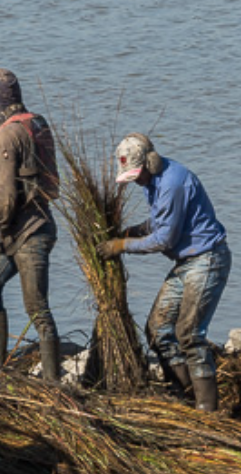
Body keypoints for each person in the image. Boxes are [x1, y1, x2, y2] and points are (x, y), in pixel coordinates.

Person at [98, 134, 231, 414]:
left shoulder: (173, 183)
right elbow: (160, 222)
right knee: (157, 331)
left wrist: (122, 246)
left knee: (189, 332)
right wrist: (134, 230)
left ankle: (207, 408)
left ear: (152, 162)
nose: (136, 180)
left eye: (138, 174)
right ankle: (182, 395)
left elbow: (164, 240)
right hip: (186, 263)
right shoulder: (151, 182)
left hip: (207, 259)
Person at [0, 69, 61, 380]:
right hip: (28, 227)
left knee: (37, 307)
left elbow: (8, 198)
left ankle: (53, 380)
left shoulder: (6, 135)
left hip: (30, 233)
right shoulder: (36, 123)